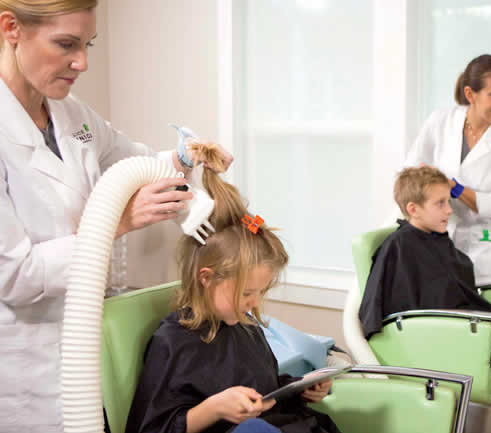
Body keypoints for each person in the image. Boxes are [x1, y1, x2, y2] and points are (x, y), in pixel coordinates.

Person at [0, 1, 232, 432]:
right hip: (22, 374)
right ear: (11, 28)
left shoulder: (72, 114)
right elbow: (15, 275)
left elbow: (138, 162)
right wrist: (115, 221)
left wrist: (182, 157)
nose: (82, 62)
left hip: (86, 356)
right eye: (66, 44)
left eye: (88, 44)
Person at [125, 148, 340, 433]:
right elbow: (153, 427)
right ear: (207, 278)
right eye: (246, 293)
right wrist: (213, 409)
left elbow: (265, 389)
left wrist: (299, 389)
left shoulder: (247, 329)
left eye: (261, 292)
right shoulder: (174, 343)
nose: (254, 303)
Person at [360, 166, 491, 433]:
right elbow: (387, 309)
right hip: (454, 334)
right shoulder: (398, 248)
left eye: (448, 201)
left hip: (479, 324)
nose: (449, 210)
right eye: (440, 203)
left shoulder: (436, 238)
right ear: (413, 209)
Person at [403, 54, 491, 284]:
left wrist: (453, 188)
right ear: (470, 94)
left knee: (474, 316)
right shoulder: (441, 121)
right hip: (431, 244)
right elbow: (409, 174)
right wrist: (423, 181)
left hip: (480, 252)